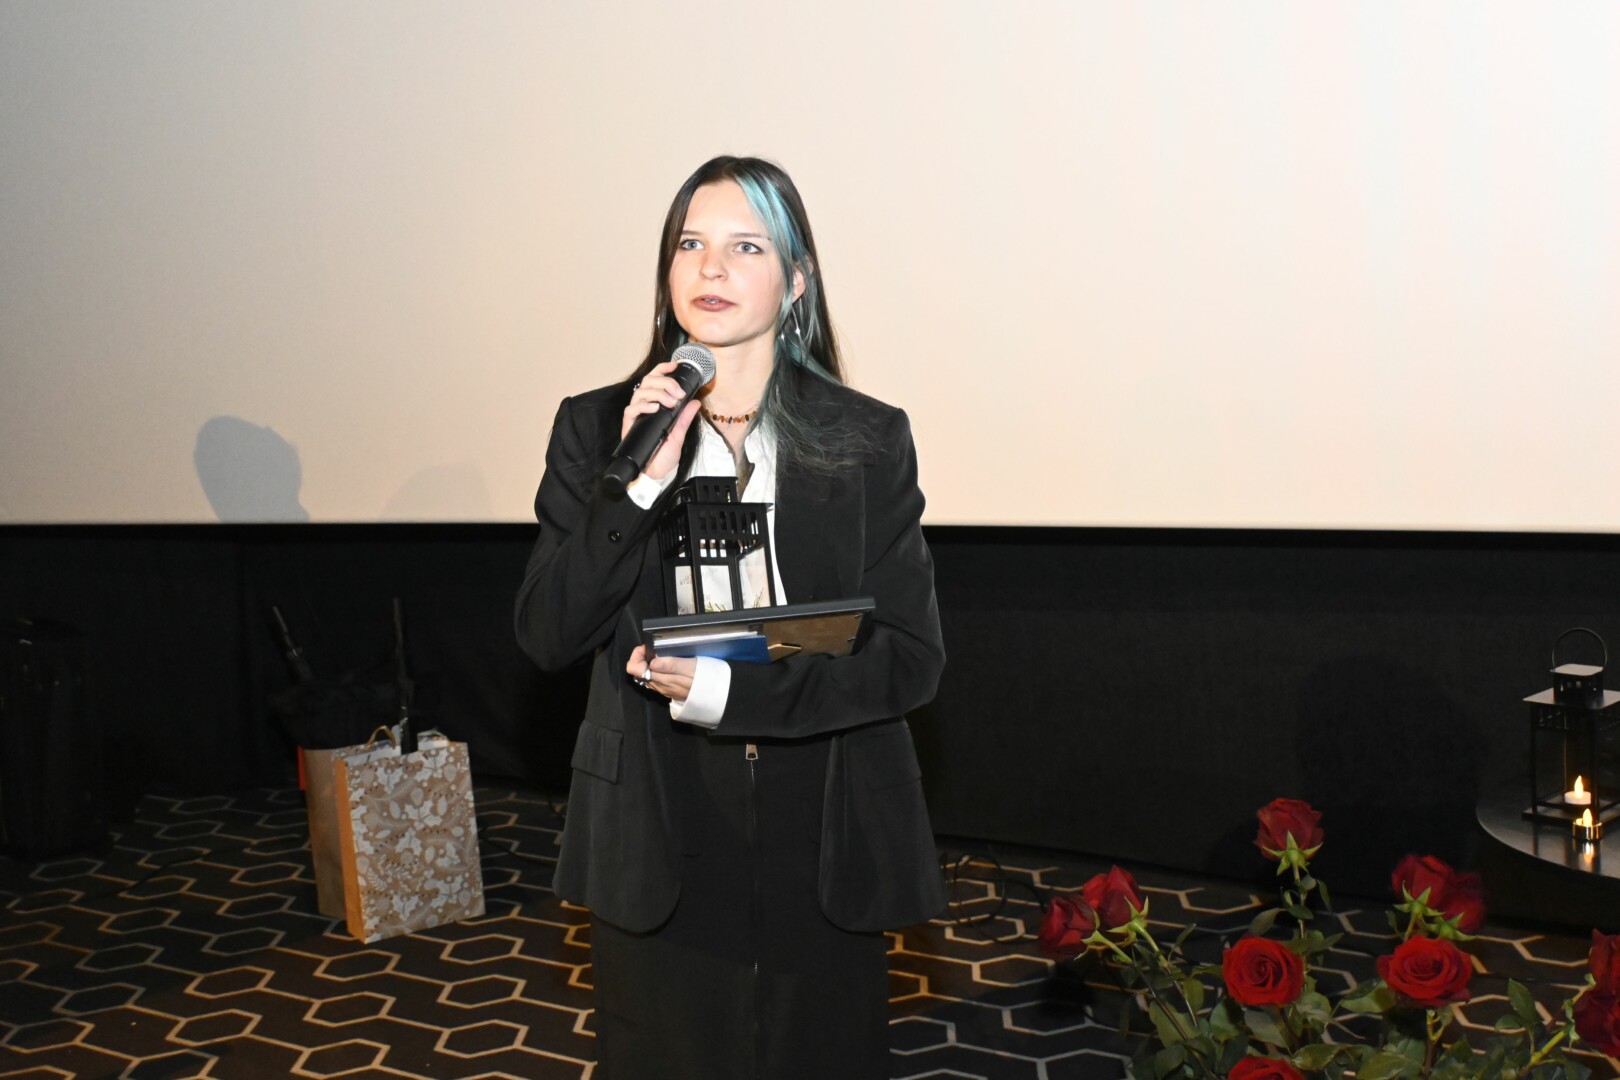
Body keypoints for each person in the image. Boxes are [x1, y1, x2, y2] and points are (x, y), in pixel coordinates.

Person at [514, 155, 946, 1079]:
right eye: (690, 245)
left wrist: (727, 691)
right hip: (656, 816)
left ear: (796, 280)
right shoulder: (596, 428)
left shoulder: (868, 436)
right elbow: (547, 633)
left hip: (824, 818)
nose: (710, 268)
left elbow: (911, 658)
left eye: (745, 247)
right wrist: (637, 489)